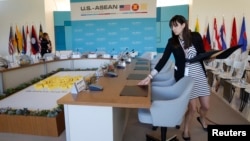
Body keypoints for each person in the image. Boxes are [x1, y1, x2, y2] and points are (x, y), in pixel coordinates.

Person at [138, 15, 210, 141]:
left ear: (183, 25)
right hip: (186, 78)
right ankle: (186, 130)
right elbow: (163, 60)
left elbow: (202, 54)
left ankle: (202, 117)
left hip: (199, 74)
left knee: (205, 106)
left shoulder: (196, 36)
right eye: (172, 26)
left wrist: (210, 57)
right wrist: (150, 76)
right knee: (192, 108)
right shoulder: (172, 42)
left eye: (176, 25)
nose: (173, 28)